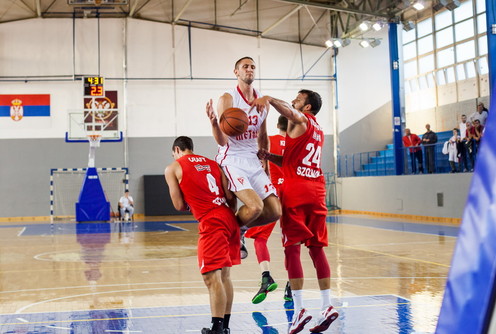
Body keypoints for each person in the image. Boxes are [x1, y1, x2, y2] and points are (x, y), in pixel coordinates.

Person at [252, 90, 339, 334]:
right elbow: (294, 160)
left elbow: (290, 112)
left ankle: (299, 309)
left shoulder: (302, 119)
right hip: (316, 190)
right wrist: (270, 156)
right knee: (317, 249)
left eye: (298, 100)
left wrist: (268, 99)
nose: (293, 102)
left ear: (307, 106)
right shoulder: (318, 129)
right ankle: (327, 305)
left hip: (296, 191)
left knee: (292, 249)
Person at [206, 56, 282, 256]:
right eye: (245, 66)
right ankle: (230, 233)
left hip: (253, 159)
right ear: (236, 72)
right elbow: (222, 141)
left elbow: (263, 136)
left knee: (275, 211)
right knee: (255, 207)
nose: (249, 69)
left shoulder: (262, 101)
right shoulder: (228, 99)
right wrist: (215, 123)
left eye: (253, 67)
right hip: (232, 159)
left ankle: (238, 229)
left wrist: (264, 160)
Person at [164, 136, 240, 334]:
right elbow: (230, 196)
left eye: (174, 154)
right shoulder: (213, 163)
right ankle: (225, 327)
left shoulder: (173, 167)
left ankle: (216, 328)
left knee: (211, 277)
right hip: (229, 218)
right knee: (224, 276)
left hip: (211, 221)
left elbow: (179, 205)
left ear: (177, 150)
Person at [244, 116, 289, 304]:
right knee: (291, 243)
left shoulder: (268, 141)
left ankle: (266, 276)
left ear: (277, 125)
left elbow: (256, 166)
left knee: (259, 239)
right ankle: (292, 285)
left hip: (272, 194)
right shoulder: (297, 144)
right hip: (293, 193)